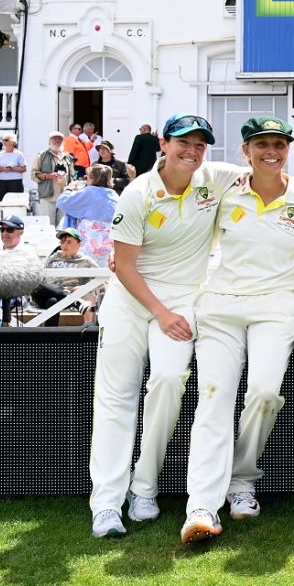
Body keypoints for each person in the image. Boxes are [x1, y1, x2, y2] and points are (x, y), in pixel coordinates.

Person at [88, 114, 249, 539]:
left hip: (180, 301)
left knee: (168, 379)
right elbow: (123, 266)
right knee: (116, 398)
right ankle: (106, 504)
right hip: (131, 300)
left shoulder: (212, 179)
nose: (191, 151)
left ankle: (145, 486)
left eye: (200, 144)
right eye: (183, 142)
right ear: (164, 142)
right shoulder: (138, 193)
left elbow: (266, 171)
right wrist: (160, 312)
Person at [181, 116, 294, 544]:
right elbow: (177, 173)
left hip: (277, 307)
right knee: (215, 395)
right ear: (246, 151)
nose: (270, 151)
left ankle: (241, 481)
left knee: (262, 392)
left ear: (289, 148)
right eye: (261, 145)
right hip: (221, 306)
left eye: (279, 143)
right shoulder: (225, 188)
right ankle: (200, 504)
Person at [56, 164, 121, 266]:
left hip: (88, 247)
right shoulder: (114, 196)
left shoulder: (89, 192)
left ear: (91, 178)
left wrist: (69, 189)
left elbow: (62, 202)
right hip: (110, 249)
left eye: (87, 177)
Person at [36, 226, 102, 325]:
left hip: (72, 294)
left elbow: (103, 280)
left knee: (53, 302)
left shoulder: (85, 260)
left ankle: (50, 336)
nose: (64, 245)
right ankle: (50, 337)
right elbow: (41, 277)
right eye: (62, 242)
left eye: (69, 242)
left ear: (79, 244)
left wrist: (83, 288)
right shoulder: (52, 258)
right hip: (51, 293)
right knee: (45, 294)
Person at [31, 132, 73, 225]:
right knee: (48, 226)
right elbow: (33, 174)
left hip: (64, 198)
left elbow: (72, 176)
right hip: (48, 198)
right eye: (54, 138)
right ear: (49, 141)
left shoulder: (68, 157)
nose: (57, 141)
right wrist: (48, 176)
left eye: (59, 139)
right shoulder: (41, 155)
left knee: (63, 226)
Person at [0, 131, 27, 201]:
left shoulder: (19, 154)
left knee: (15, 201)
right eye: (3, 140)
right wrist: (3, 169)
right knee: (1, 201)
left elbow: (24, 169)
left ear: (12, 142)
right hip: (1, 182)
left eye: (6, 140)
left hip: (15, 181)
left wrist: (12, 169)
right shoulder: (1, 154)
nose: (3, 142)